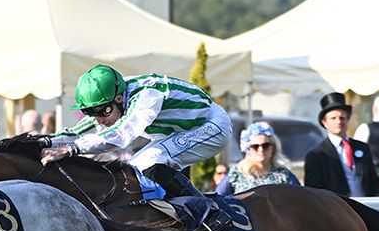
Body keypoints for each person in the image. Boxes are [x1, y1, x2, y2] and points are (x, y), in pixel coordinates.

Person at [40, 65, 232, 201]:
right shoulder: (114, 98)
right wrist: (44, 142)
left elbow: (122, 134)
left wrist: (72, 149)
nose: (99, 119)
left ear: (119, 98)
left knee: (145, 163)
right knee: (132, 169)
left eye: (103, 111)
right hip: (178, 131)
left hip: (212, 125)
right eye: (91, 112)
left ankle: (208, 214)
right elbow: (77, 130)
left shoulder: (146, 96)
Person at [304, 92, 379, 198]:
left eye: (342, 117)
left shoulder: (362, 147)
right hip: (336, 210)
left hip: (365, 208)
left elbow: (373, 181)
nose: (339, 121)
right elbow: (313, 191)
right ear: (324, 122)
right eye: (333, 118)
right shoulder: (317, 155)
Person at [216, 121, 300, 195]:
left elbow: (301, 199)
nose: (261, 149)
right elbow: (218, 199)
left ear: (273, 148)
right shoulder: (236, 174)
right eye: (255, 146)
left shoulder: (284, 175)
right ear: (248, 149)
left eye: (265, 145)